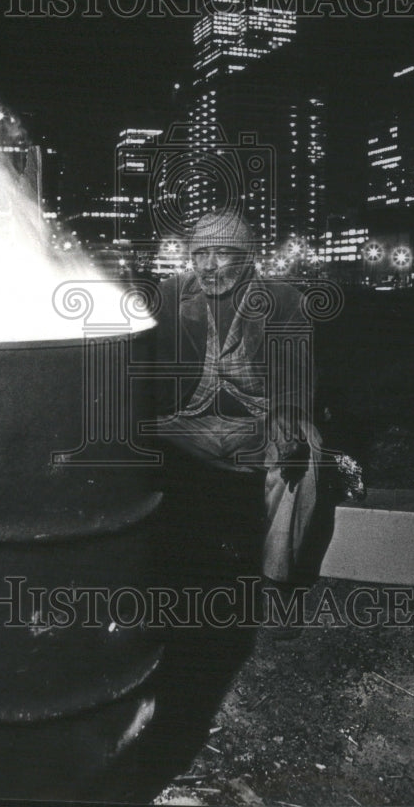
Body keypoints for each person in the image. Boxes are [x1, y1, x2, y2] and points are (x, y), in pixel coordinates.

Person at [152, 210, 332, 590]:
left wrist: (286, 414)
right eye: (200, 254)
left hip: (257, 422)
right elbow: (138, 358)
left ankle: (277, 583)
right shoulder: (169, 295)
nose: (209, 265)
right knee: (118, 439)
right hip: (187, 422)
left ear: (247, 256)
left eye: (222, 253)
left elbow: (295, 372)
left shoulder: (284, 300)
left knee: (304, 456)